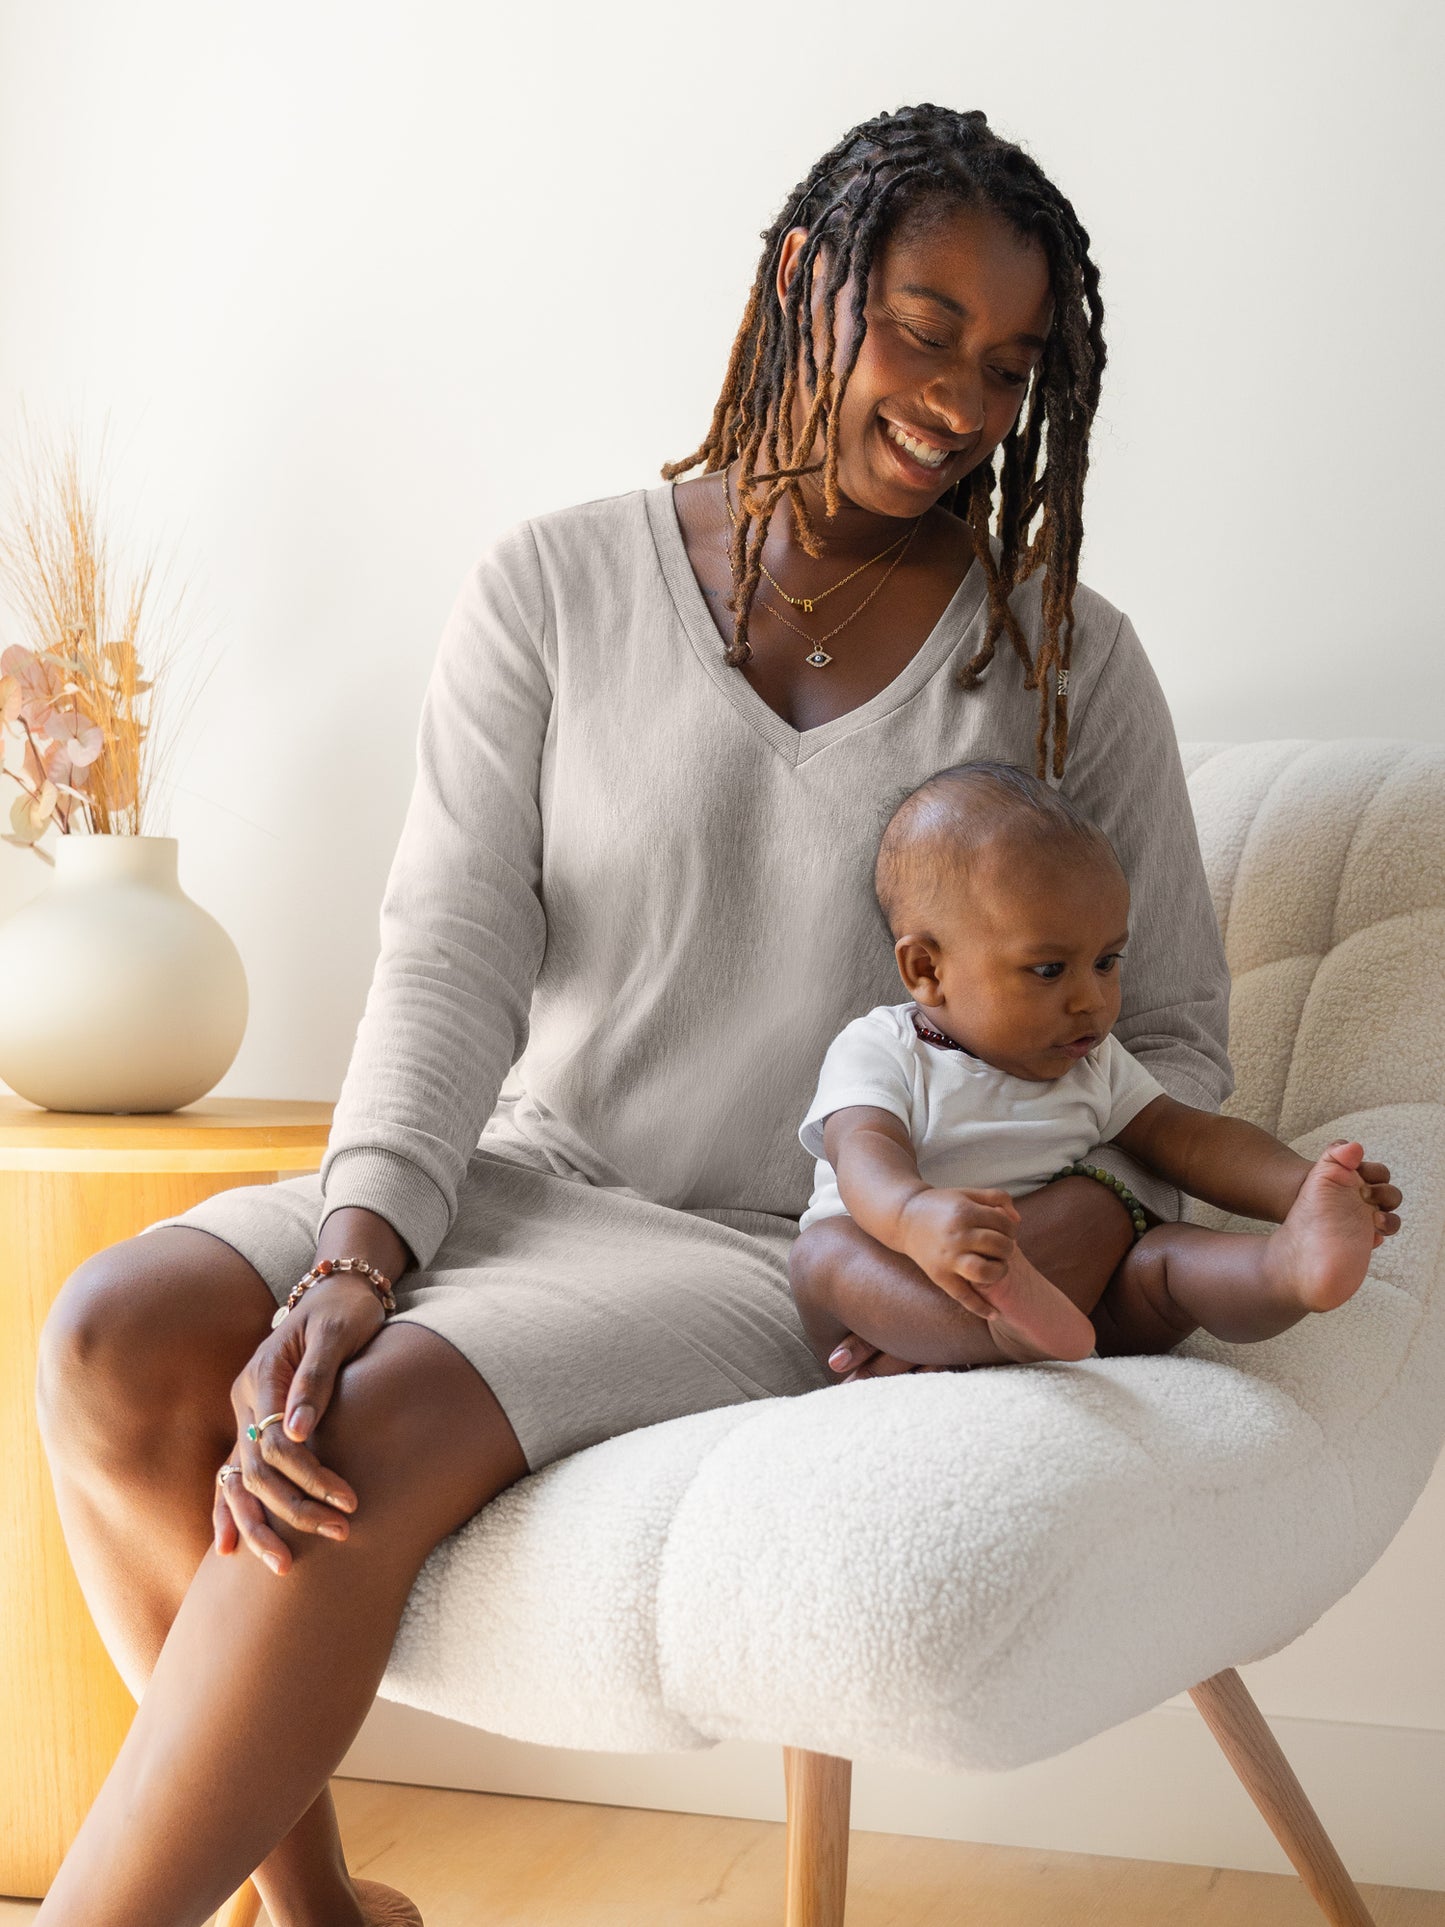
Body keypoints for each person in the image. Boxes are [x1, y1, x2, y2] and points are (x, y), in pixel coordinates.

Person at [33, 103, 1234, 1927]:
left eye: (1010, 366)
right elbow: (449, 955)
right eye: (922, 326)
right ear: (798, 283)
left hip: (784, 1238)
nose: (965, 402)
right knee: (115, 1334)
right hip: (524, 1175)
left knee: (363, 1430)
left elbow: (1184, 1062)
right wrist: (358, 1252)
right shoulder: (553, 585)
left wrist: (1002, 1255)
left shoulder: (1067, 666)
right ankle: (321, 1912)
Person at [788, 760, 1403, 1375]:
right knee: (824, 1255)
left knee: (1166, 1264)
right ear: (927, 970)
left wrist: (1302, 1189)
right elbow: (863, 1153)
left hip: (1071, 1308)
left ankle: (1287, 1270)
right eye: (1050, 970)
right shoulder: (883, 1047)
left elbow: (1188, 1140)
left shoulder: (1093, 1061)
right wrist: (912, 1215)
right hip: (900, 1280)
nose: (1093, 1000)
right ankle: (1005, 1333)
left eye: (1107, 962)